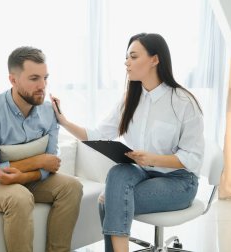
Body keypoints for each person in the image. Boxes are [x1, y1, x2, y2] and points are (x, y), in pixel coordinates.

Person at [50, 33, 204, 252]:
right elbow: (97, 133)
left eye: (133, 56)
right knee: (118, 173)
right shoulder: (129, 99)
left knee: (109, 201)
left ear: (154, 59)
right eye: (126, 57)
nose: (126, 62)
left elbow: (193, 158)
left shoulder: (183, 102)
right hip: (142, 173)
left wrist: (152, 159)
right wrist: (63, 121)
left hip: (179, 181)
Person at [0, 46, 83, 252]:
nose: (42, 85)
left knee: (72, 187)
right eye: (34, 78)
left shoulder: (48, 111)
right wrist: (38, 161)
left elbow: (52, 161)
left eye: (45, 78)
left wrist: (24, 176)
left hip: (24, 179)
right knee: (19, 197)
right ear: (13, 80)